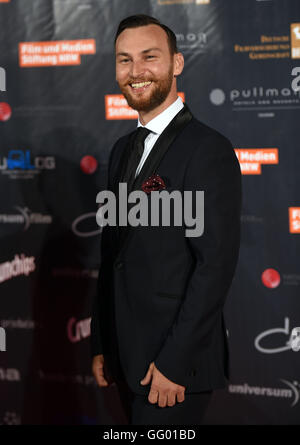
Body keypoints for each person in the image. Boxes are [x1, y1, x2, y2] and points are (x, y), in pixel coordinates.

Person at [90, 14, 242, 425]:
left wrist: (177, 362)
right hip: (125, 357)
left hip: (173, 368)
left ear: (176, 64)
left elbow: (215, 266)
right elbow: (114, 254)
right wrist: (102, 341)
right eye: (124, 60)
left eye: (149, 57)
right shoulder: (122, 149)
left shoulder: (208, 149)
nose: (135, 71)